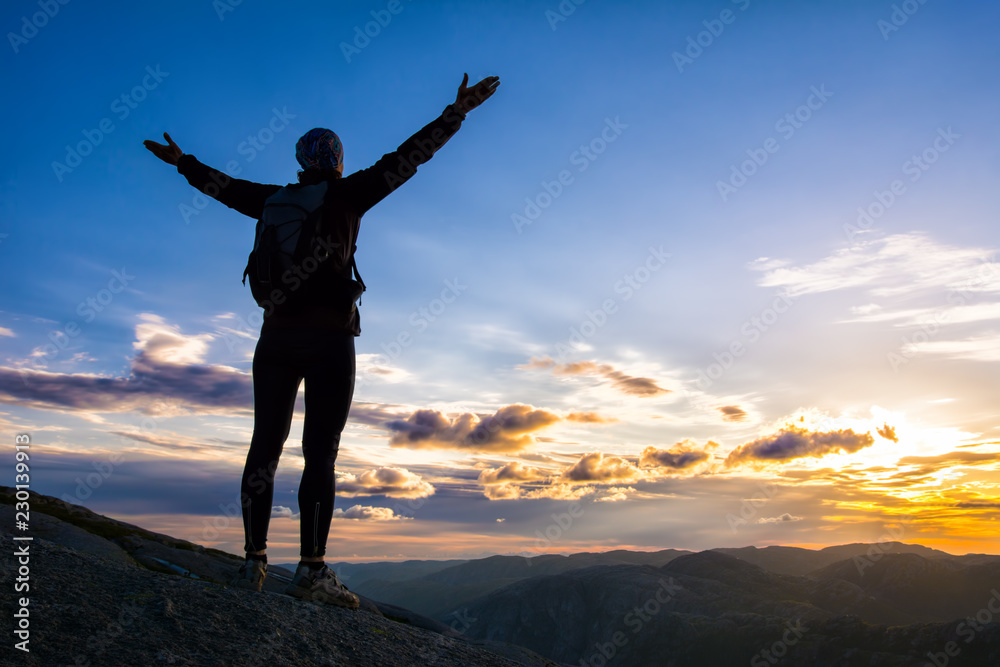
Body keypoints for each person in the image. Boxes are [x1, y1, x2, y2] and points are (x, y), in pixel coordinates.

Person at [144, 74, 500, 607]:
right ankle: (311, 572)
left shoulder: (271, 199)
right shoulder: (349, 193)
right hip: (331, 338)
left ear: (299, 160)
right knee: (320, 455)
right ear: (336, 160)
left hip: (276, 338)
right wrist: (457, 113)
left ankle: (253, 564)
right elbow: (409, 157)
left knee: (265, 445)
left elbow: (221, 187)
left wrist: (183, 163)